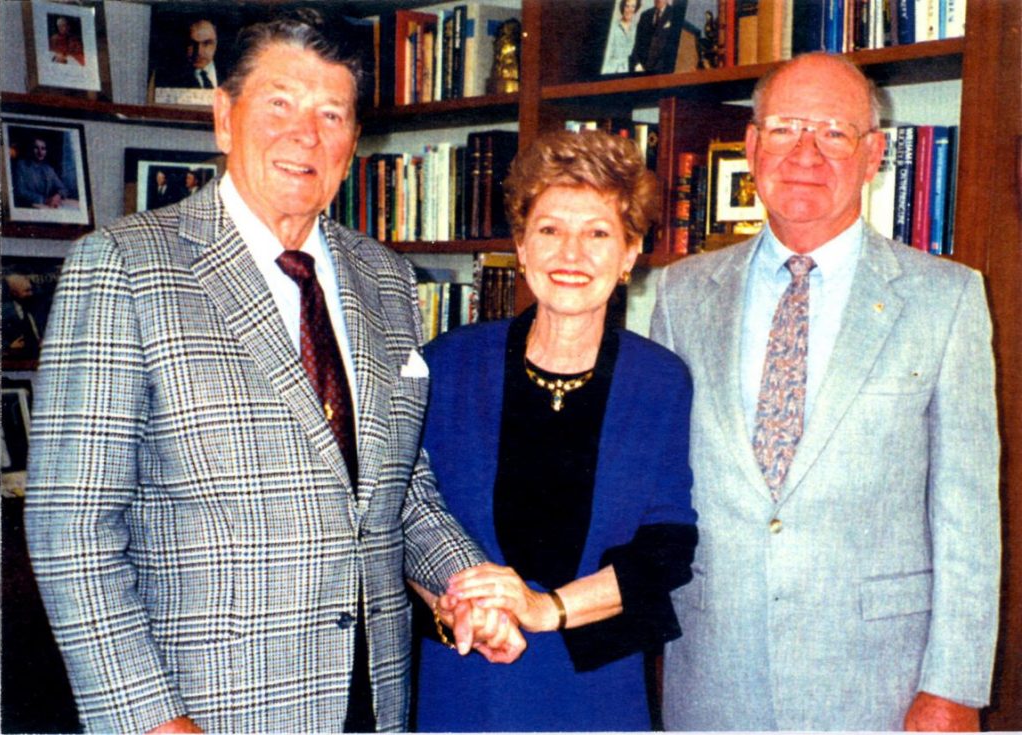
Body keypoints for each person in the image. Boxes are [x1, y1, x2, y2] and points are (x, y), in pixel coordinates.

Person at [25, 12, 523, 734]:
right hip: (206, 709)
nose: (305, 134)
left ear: (354, 143)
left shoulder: (385, 279)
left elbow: (400, 490)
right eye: (279, 104)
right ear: (225, 117)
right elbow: (70, 531)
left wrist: (466, 585)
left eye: (332, 113)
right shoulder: (125, 268)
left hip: (372, 699)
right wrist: (153, 721)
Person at [651, 52, 1000, 731]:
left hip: (881, 685)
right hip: (714, 676)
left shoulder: (945, 298)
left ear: (874, 156)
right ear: (752, 147)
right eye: (784, 128)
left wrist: (954, 685)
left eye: (835, 132)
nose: (806, 152)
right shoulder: (681, 293)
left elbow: (968, 514)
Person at [415, 130, 699, 732]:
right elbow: (403, 516)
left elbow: (667, 548)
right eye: (549, 230)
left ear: (628, 255)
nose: (571, 253)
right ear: (521, 247)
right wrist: (458, 607)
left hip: (595, 690)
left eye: (597, 233)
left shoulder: (661, 381)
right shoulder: (447, 364)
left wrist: (546, 609)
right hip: (465, 673)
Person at [156, 18, 219, 89]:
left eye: (206, 43)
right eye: (192, 44)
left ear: (216, 43)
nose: (199, 52)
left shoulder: (231, 73)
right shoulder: (167, 78)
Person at [12, 136, 69, 209]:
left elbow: (63, 189)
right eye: (36, 148)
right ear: (30, 149)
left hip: (46, 207)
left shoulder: (48, 169)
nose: (40, 152)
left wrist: (58, 195)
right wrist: (44, 200)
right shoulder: (21, 166)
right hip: (28, 208)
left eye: (43, 148)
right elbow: (20, 192)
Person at [629, 0, 682, 74]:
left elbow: (672, 51)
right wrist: (637, 64)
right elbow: (637, 44)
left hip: (660, 73)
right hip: (641, 70)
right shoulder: (645, 15)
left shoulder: (675, 16)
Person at [601, 0, 641, 74]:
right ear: (623, 7)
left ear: (636, 9)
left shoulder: (636, 29)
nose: (629, 10)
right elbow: (606, 56)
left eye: (633, 7)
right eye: (627, 6)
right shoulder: (613, 28)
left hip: (629, 72)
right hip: (612, 71)